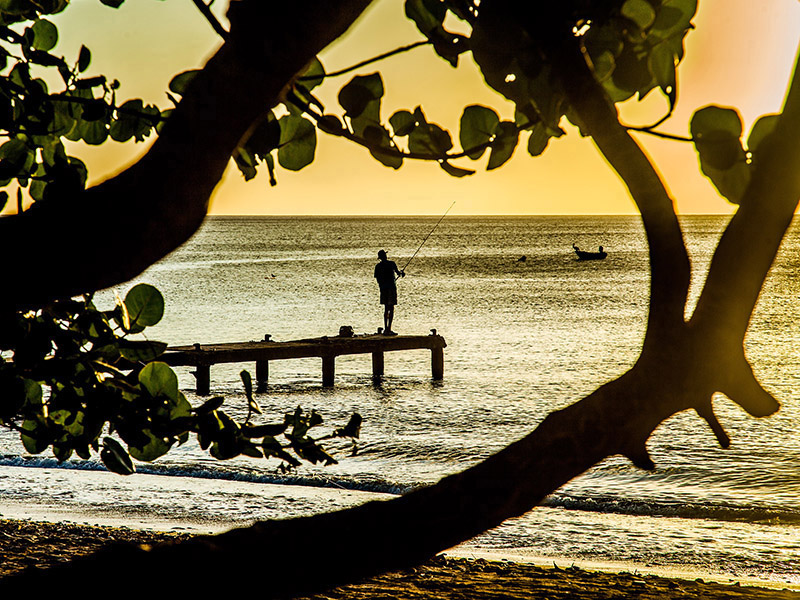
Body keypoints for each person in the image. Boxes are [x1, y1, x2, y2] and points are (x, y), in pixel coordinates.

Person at [374, 249, 404, 335]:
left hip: (383, 289)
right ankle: (389, 329)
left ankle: (386, 329)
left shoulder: (378, 267)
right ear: (385, 256)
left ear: (379, 258)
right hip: (391, 288)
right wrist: (402, 273)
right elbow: (399, 273)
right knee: (391, 308)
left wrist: (382, 286)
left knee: (386, 309)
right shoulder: (391, 264)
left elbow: (378, 279)